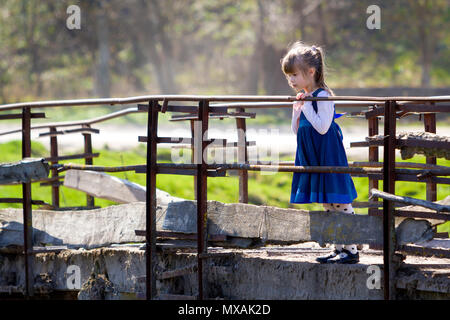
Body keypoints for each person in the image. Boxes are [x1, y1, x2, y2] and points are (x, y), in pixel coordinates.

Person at [280, 41, 359, 264]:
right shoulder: (306, 97)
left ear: (311, 71)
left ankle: (352, 250)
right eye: (289, 76)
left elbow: (323, 126)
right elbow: (298, 131)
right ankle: (338, 248)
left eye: (295, 75)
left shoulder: (322, 96)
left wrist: (306, 105)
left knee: (340, 201)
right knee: (327, 203)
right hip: (313, 154)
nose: (291, 80)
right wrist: (296, 112)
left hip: (328, 154)